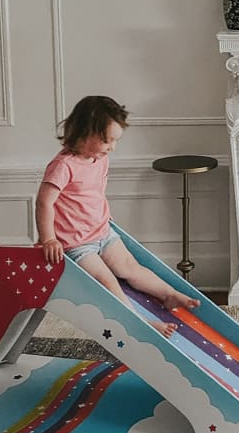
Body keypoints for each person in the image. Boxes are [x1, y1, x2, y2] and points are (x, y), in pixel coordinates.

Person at [36, 96, 199, 338]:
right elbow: (44, 201)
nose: (111, 147)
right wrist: (48, 239)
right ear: (83, 133)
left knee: (131, 268)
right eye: (106, 140)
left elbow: (96, 192)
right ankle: (140, 321)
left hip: (102, 232)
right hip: (77, 244)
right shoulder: (64, 165)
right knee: (107, 280)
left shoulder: (100, 159)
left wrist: (105, 215)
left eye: (115, 140)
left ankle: (168, 294)